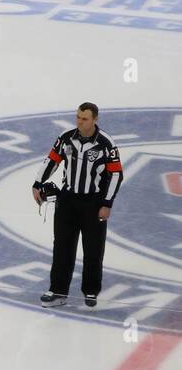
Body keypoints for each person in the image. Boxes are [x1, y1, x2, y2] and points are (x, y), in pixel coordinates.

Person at [32, 102, 123, 309]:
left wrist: (107, 203)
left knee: (93, 249)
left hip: (94, 203)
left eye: (85, 119)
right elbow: (52, 161)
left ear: (95, 120)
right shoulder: (66, 138)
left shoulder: (106, 143)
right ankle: (58, 291)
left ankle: (91, 291)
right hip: (67, 201)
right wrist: (38, 184)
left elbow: (116, 174)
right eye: (78, 118)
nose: (80, 122)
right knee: (62, 247)